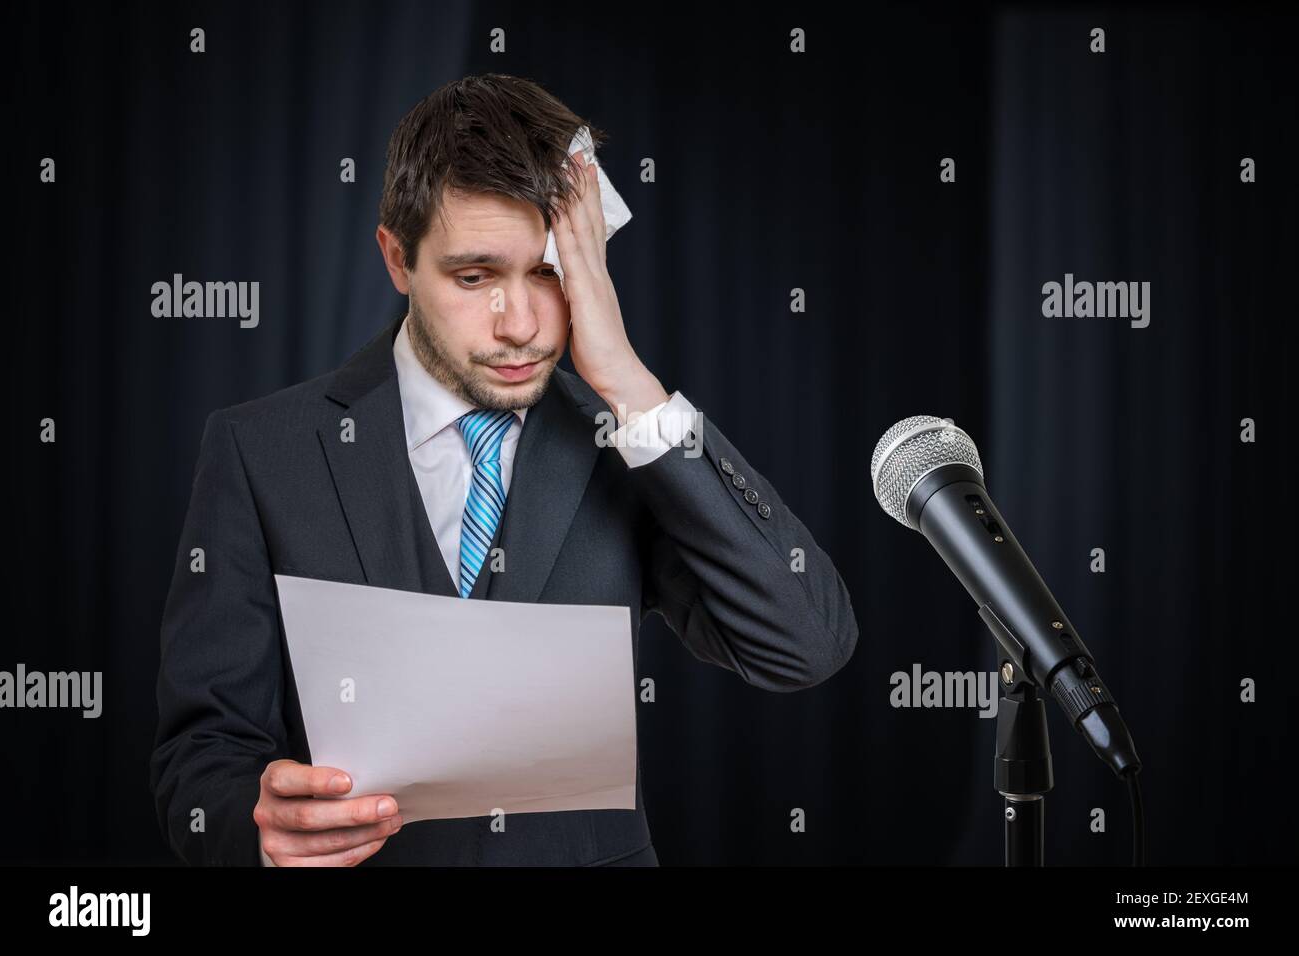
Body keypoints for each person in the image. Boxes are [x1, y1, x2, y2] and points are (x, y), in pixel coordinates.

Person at [149, 73, 859, 866]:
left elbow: (805, 643)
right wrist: (258, 824)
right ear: (396, 258)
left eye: (550, 273)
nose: (520, 326)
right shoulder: (260, 451)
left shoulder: (626, 444)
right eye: (475, 276)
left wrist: (627, 382)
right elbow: (200, 755)